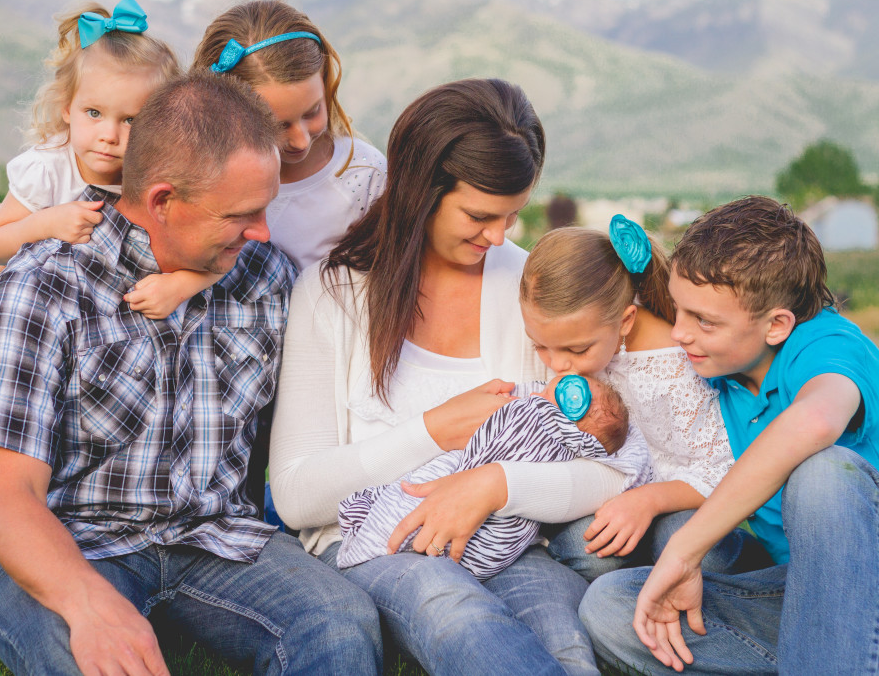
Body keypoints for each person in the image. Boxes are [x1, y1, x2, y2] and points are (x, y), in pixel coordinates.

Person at [0, 72, 382, 676]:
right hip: (76, 544)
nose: (263, 232)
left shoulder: (268, 280)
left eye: (265, 209)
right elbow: (4, 498)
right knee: (73, 647)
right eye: (240, 215)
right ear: (162, 200)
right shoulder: (42, 286)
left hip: (223, 541)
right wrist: (90, 605)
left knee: (340, 622)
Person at [269, 78, 647, 676]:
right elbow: (294, 497)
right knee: (459, 617)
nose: (498, 237)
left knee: (567, 644)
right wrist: (435, 430)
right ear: (421, 192)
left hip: (509, 541)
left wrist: (494, 484)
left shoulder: (527, 291)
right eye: (480, 215)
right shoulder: (333, 294)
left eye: (512, 217)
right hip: (378, 540)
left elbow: (610, 468)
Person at [579, 196, 879, 674]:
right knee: (613, 603)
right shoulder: (719, 367)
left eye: (704, 321)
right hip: (799, 595)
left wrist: (686, 549)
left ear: (777, 325)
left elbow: (816, 421)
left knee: (823, 475)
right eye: (679, 311)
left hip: (868, 579)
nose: (679, 333)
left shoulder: (825, 345)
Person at [0, 0, 186, 426]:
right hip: (28, 326)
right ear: (66, 109)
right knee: (9, 424)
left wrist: (182, 283)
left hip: (106, 333)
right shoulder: (49, 168)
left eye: (131, 119)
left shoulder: (157, 178)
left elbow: (203, 249)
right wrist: (47, 222)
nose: (109, 135)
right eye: (94, 113)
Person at [519, 216, 763, 581]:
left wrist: (648, 501)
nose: (557, 364)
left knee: (683, 541)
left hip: (682, 505)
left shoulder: (677, 367)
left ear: (626, 320)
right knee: (582, 546)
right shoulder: (579, 353)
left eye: (576, 349)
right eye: (540, 346)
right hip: (614, 502)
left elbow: (724, 470)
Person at [337, 374, 650, 581]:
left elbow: (495, 446)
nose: (535, 393)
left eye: (545, 394)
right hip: (492, 552)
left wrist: (495, 481)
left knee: (419, 493)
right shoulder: (574, 431)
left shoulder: (536, 418)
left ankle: (373, 537)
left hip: (501, 520)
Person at [191, 0, 386, 272]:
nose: (301, 140)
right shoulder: (203, 180)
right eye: (278, 126)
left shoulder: (365, 174)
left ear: (326, 82)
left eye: (312, 112)